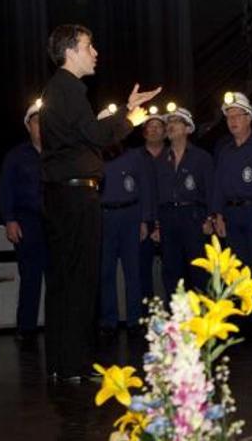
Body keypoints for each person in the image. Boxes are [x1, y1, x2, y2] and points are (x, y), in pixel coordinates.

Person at [40, 24, 159, 382]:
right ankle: (73, 363)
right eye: (89, 46)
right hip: (76, 196)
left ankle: (63, 363)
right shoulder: (69, 89)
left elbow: (83, 133)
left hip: (63, 195)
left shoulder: (59, 90)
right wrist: (131, 119)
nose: (96, 53)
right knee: (80, 279)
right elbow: (94, 135)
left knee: (65, 280)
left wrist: (124, 109)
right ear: (71, 51)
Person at [210, 91, 252, 329]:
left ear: (249, 118)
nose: (233, 120)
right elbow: (218, 185)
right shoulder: (224, 149)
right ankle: (242, 314)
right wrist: (217, 214)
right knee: (237, 267)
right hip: (232, 213)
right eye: (229, 116)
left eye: (238, 115)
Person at [97, 111, 156, 336]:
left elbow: (145, 189)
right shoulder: (95, 156)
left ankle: (135, 319)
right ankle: (109, 320)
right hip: (106, 216)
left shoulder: (135, 156)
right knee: (106, 271)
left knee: (134, 270)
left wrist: (144, 221)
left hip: (131, 215)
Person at [0, 99, 46, 340]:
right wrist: (10, 219)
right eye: (37, 122)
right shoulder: (16, 156)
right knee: (30, 276)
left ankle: (57, 328)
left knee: (58, 279)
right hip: (27, 222)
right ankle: (26, 328)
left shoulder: (60, 155)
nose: (42, 126)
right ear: (29, 126)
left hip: (56, 224)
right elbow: (6, 189)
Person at [154, 106, 214, 295]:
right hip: (168, 218)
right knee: (171, 270)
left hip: (193, 217)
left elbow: (211, 190)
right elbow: (155, 193)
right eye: (169, 122)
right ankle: (177, 319)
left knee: (198, 268)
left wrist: (211, 218)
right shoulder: (160, 159)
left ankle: (203, 318)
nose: (171, 126)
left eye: (176, 122)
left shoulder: (202, 158)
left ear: (188, 128)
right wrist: (156, 224)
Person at [136, 111, 168, 301]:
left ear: (165, 132)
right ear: (144, 132)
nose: (154, 130)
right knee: (142, 270)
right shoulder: (134, 157)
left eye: (158, 126)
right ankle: (146, 315)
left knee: (173, 269)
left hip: (170, 219)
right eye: (150, 126)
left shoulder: (174, 155)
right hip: (143, 221)